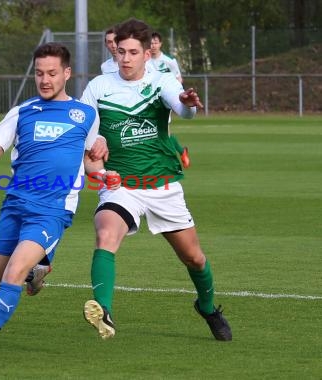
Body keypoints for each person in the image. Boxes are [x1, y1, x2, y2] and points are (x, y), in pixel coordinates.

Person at [0, 42, 102, 364]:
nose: (45, 80)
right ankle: (37, 269)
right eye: (39, 73)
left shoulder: (85, 114)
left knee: (12, 272)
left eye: (52, 73)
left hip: (52, 210)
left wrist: (106, 173)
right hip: (15, 203)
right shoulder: (22, 111)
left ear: (67, 73)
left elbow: (88, 160)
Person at [79, 18, 232, 342]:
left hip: (162, 187)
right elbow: (82, 131)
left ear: (147, 54)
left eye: (133, 52)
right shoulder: (98, 87)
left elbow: (180, 104)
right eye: (121, 51)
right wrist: (92, 148)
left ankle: (207, 307)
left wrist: (188, 106)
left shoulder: (160, 81)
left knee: (194, 257)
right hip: (120, 186)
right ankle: (103, 309)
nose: (125, 58)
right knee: (106, 233)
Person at [149, 31, 190, 168]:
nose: (153, 45)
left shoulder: (169, 61)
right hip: (148, 100)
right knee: (155, 132)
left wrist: (175, 97)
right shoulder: (145, 60)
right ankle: (179, 151)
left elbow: (178, 78)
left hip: (163, 101)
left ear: (160, 44)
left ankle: (170, 160)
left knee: (162, 132)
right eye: (151, 42)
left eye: (155, 42)